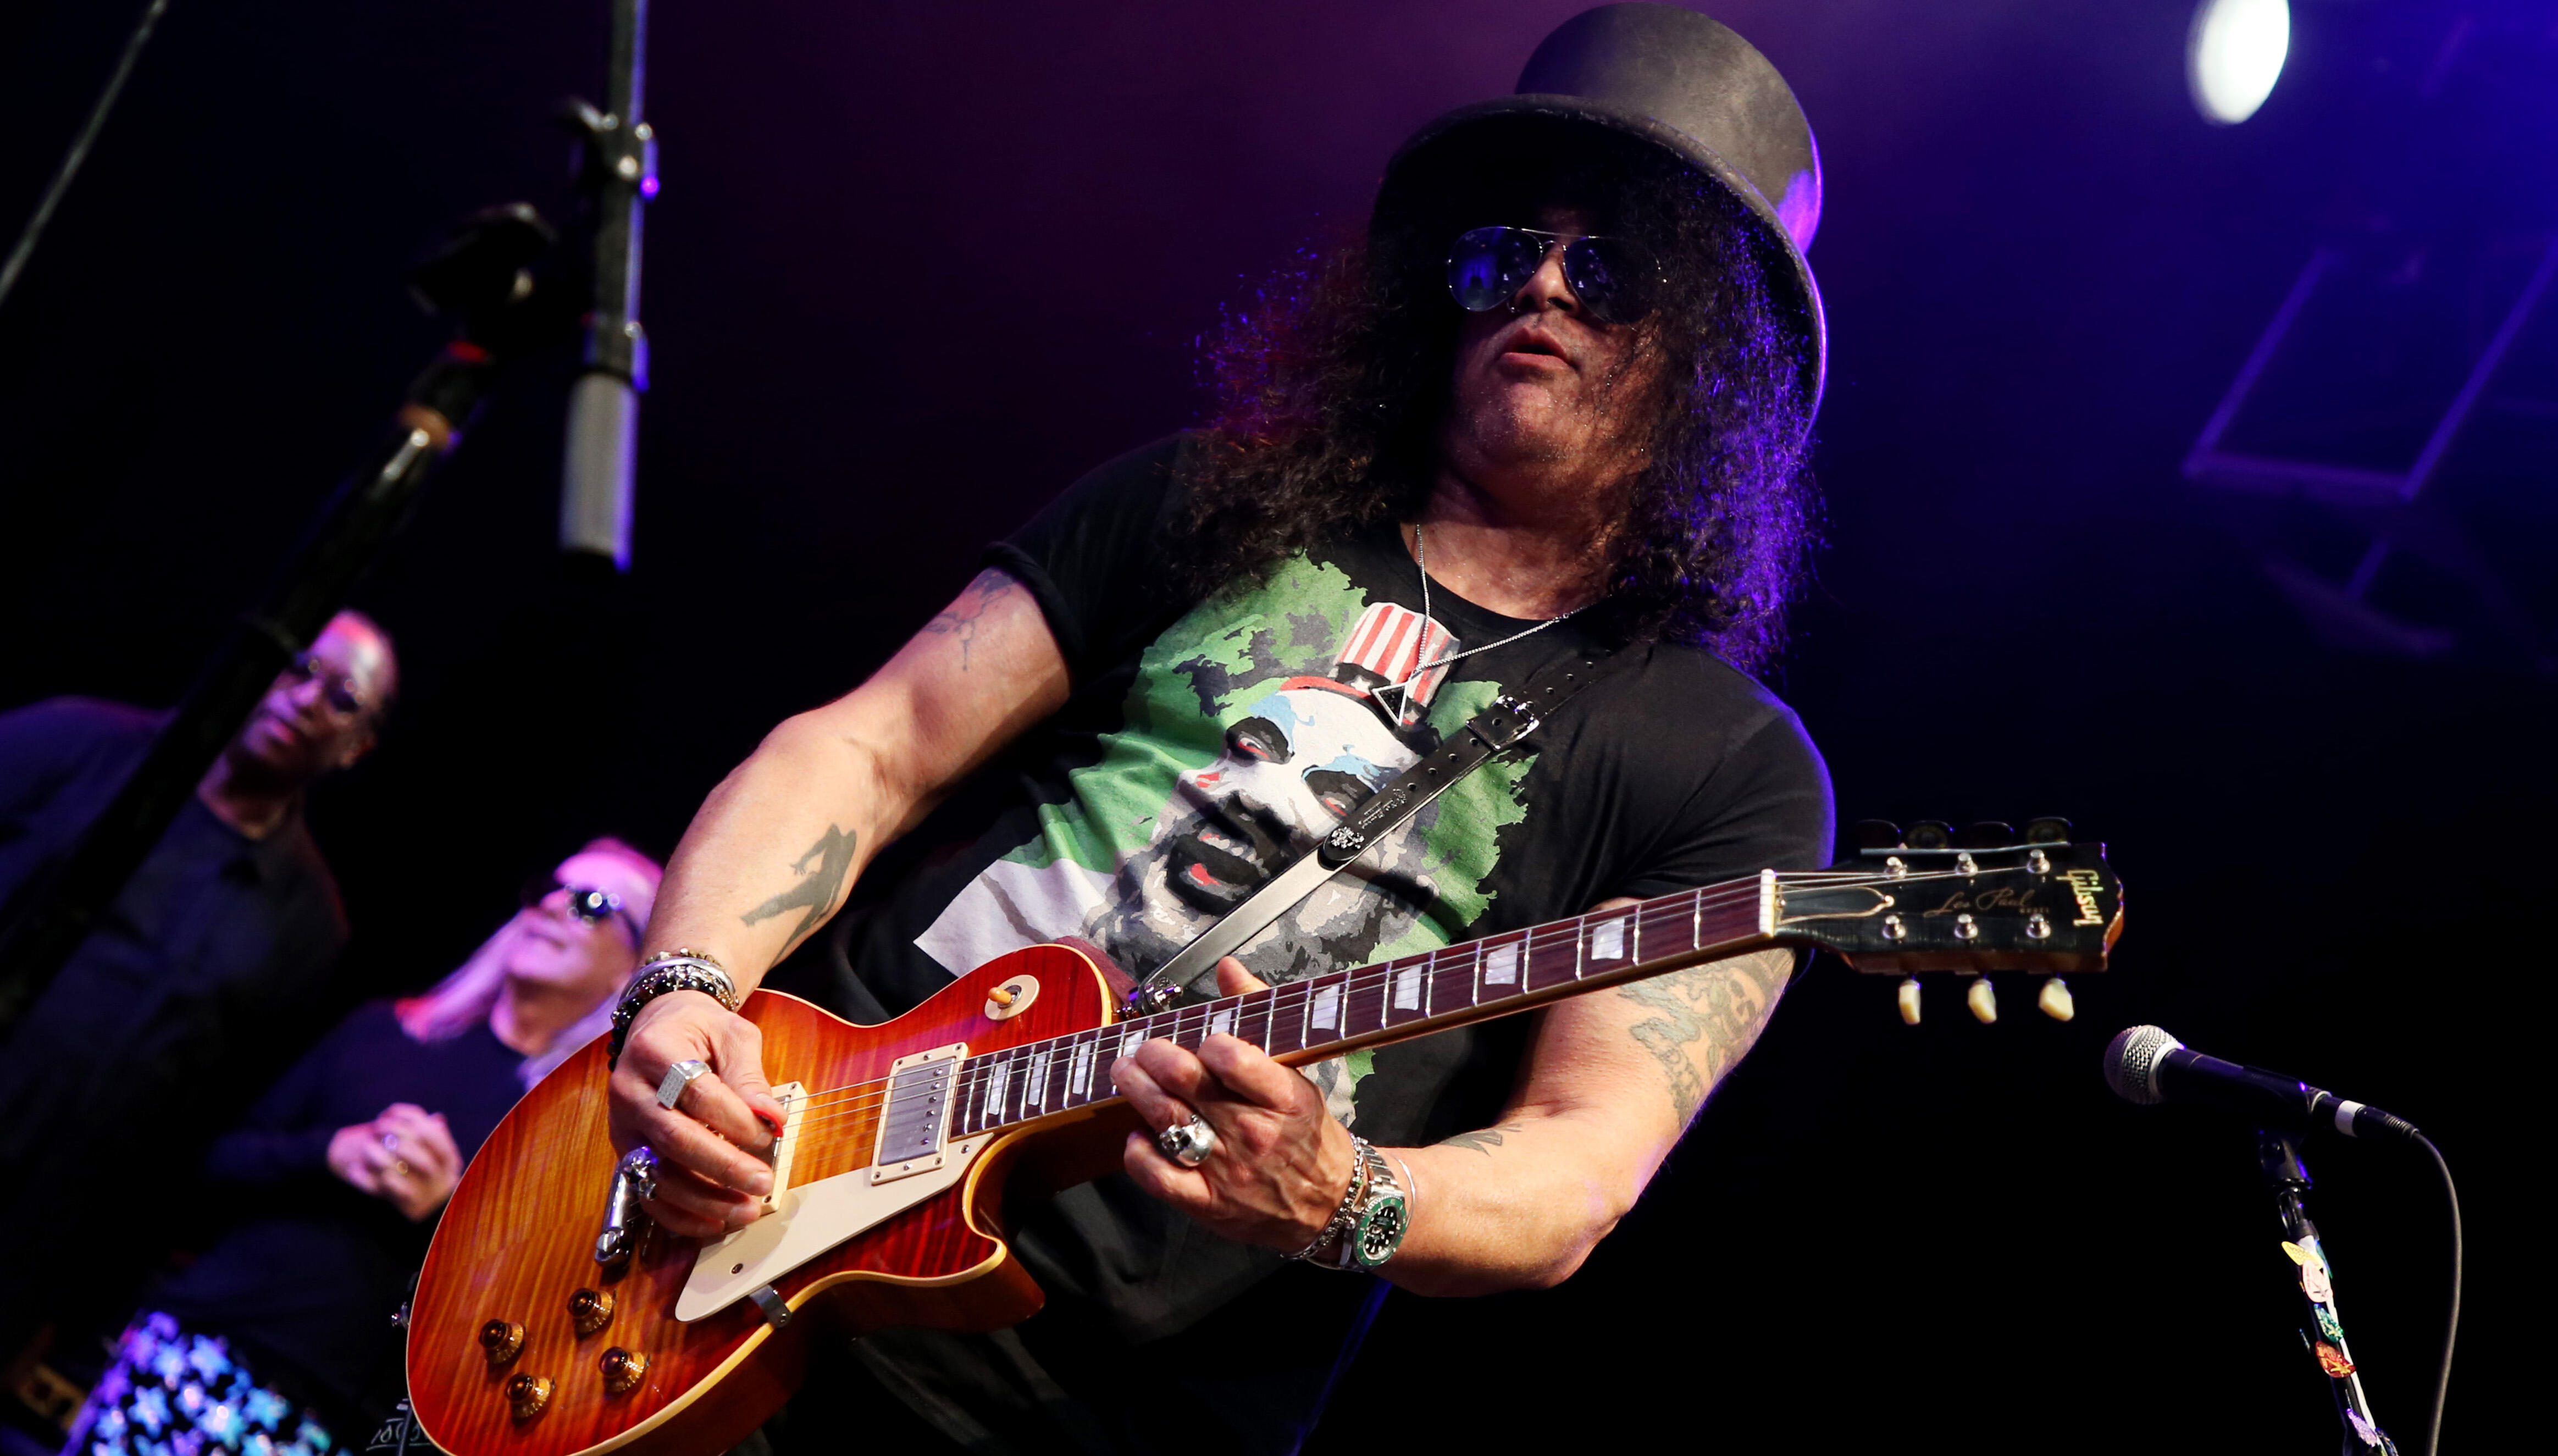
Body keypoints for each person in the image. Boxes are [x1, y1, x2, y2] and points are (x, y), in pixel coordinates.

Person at [617, 5, 1832, 1450]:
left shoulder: (1730, 766)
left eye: (1610, 266)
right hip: (751, 1218)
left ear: (1711, 357)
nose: (1543, 290)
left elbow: (1577, 1167)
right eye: (1505, 251)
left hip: (1090, 1409)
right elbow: (866, 746)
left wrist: (1350, 1194)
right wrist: (682, 990)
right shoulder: (1216, 495)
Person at [59, 839, 664, 1456]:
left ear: (631, 966)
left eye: (592, 903)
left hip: (336, 1421)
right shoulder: (385, 1032)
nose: (554, 908)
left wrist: (448, 1213)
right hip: (199, 1343)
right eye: (547, 891)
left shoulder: (577, 1132)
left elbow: (542, 1311)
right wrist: (331, 1153)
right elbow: (208, 1168)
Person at [0, 611, 400, 1367]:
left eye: (343, 698)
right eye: (297, 666)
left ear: (357, 747)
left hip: (29, 1228)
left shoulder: (308, 921)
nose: (306, 698)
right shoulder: (80, 742)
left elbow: (204, 1116)